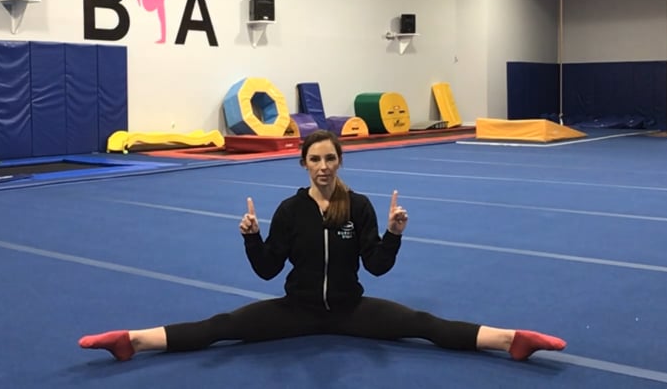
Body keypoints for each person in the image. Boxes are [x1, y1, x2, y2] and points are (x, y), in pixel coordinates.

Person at [79, 129, 566, 362]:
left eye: (330, 158)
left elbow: (376, 267)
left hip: (352, 310)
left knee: (423, 324)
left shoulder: (359, 206)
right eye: (315, 159)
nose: (323, 167)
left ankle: (511, 340)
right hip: (296, 310)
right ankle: (132, 340)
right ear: (304, 164)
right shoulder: (290, 211)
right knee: (222, 326)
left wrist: (394, 234)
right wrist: (251, 238)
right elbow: (268, 269)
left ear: (340, 160)